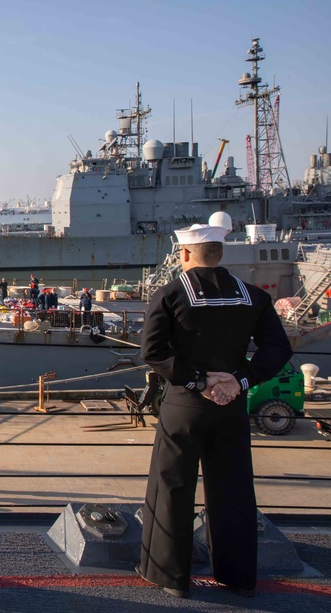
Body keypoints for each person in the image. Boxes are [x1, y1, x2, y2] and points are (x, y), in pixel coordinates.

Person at [135, 222, 292, 599]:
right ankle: (237, 577)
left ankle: (168, 576)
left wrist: (198, 382)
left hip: (184, 407)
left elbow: (152, 352)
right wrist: (239, 380)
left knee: (171, 488)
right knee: (234, 490)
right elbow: (278, 350)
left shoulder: (171, 294)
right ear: (220, 253)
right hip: (232, 406)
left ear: (185, 253)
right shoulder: (254, 296)